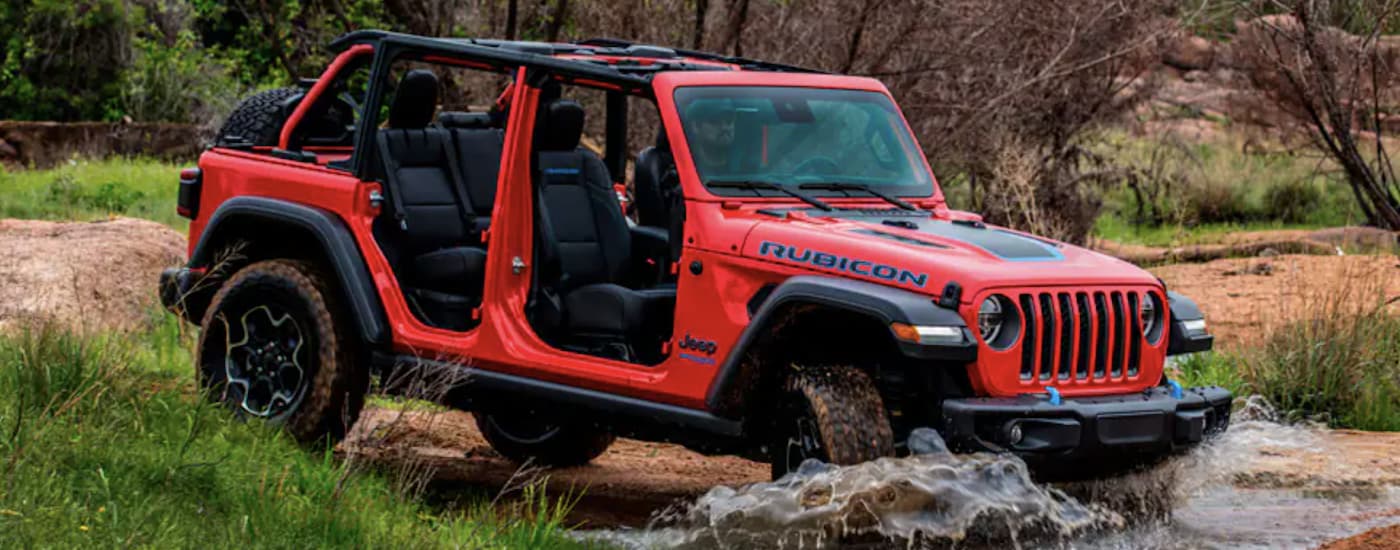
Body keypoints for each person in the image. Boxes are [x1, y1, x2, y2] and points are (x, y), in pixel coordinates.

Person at [685, 100, 736, 176]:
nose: (724, 127)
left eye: (729, 121)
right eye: (715, 121)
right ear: (695, 127)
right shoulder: (686, 168)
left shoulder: (747, 169)